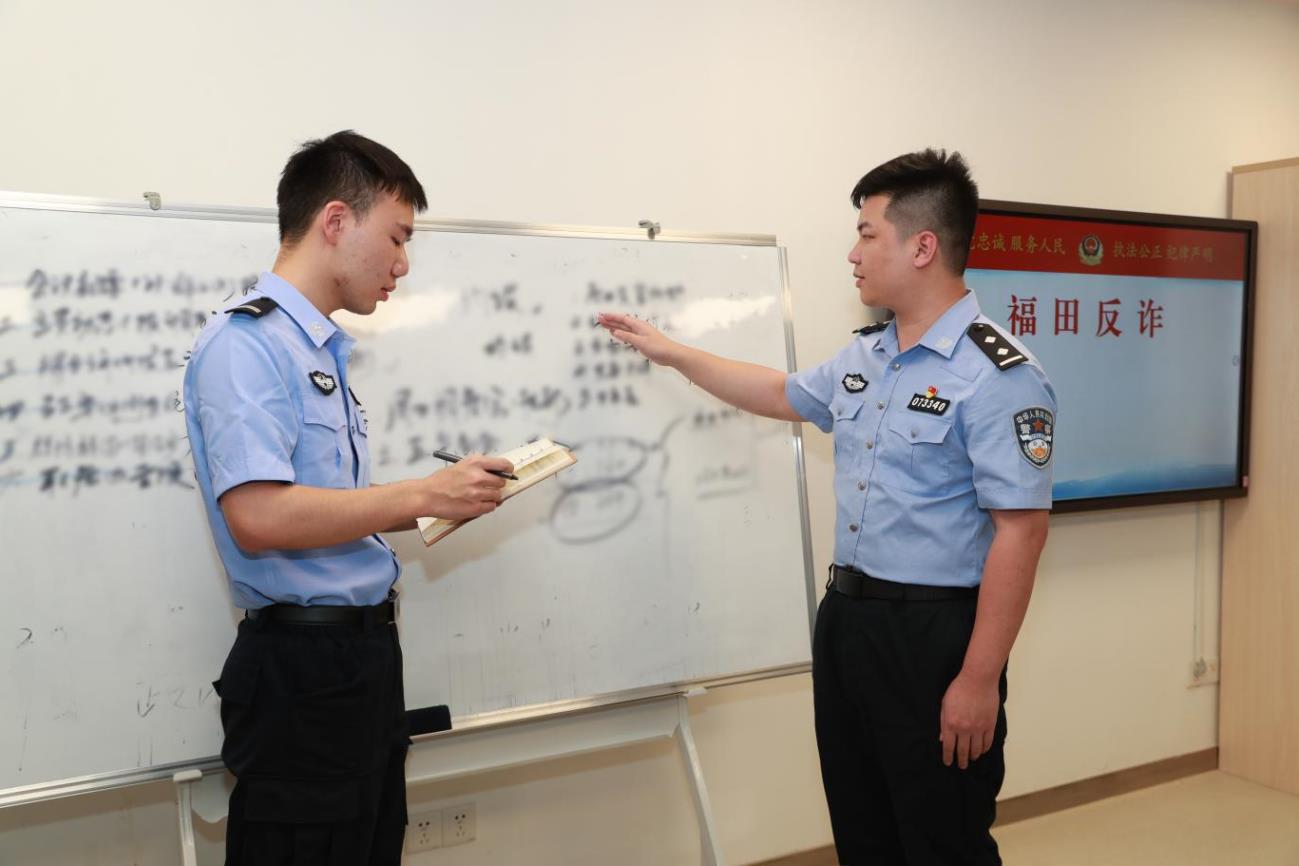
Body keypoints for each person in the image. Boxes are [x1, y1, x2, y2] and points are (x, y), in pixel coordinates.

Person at [598, 149, 1054, 865]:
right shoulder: (867, 355)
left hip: (933, 635)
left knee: (941, 839)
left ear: (922, 247)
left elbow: (1020, 534)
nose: (853, 253)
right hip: (848, 621)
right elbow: (780, 392)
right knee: (862, 828)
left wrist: (976, 680)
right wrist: (672, 352)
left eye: (867, 234)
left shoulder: (999, 375)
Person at [183, 130, 514, 865]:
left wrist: (440, 501)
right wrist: (419, 492)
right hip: (303, 674)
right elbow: (258, 516)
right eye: (397, 237)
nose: (403, 264)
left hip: (357, 663)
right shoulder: (248, 345)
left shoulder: (317, 350)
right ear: (335, 220)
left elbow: (322, 510)